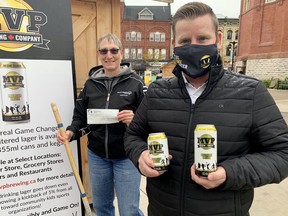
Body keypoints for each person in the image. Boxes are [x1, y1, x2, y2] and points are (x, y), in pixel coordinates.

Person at [124, 2, 288, 216]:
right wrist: (140, 156)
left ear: (218, 40)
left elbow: (282, 154)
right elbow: (132, 136)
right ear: (174, 44)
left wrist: (229, 173)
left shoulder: (250, 92)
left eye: (202, 39)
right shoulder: (157, 92)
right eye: (185, 41)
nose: (193, 47)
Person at [57, 33, 144, 216]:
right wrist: (71, 132)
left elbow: (149, 120)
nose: (109, 55)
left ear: (121, 53)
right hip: (97, 157)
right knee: (102, 207)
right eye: (104, 51)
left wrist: (134, 120)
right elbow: (81, 117)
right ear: (99, 54)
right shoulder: (90, 85)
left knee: (129, 210)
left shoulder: (136, 83)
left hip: (126, 157)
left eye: (113, 50)